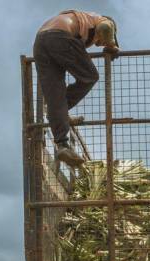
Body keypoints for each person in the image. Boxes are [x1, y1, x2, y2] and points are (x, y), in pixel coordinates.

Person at [33, 10, 119, 167]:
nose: (98, 43)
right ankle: (61, 111)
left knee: (55, 95)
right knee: (89, 76)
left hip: (40, 42)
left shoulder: (79, 20)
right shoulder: (100, 19)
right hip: (60, 37)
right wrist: (112, 45)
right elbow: (106, 28)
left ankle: (62, 145)